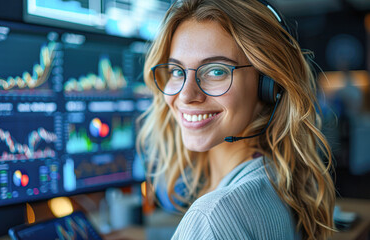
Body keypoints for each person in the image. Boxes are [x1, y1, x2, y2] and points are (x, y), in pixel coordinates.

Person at [136, 0, 336, 239]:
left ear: (269, 87)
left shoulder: (213, 216)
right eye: (177, 71)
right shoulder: (275, 179)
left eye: (216, 71)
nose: (186, 95)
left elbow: (214, 223)